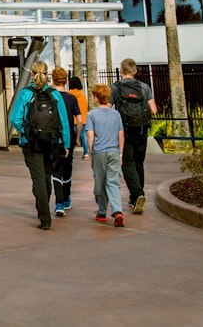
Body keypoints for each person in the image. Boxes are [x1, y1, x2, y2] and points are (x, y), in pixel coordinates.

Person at [9, 60, 71, 230]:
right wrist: (66, 144)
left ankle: (44, 218)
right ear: (47, 74)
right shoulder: (55, 95)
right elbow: (64, 121)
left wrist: (27, 131)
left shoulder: (25, 94)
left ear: (31, 74)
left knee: (38, 179)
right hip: (52, 142)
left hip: (31, 143)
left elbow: (14, 118)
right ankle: (45, 210)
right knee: (47, 177)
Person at [110, 58, 157, 214]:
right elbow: (154, 110)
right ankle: (135, 197)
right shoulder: (144, 87)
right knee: (139, 163)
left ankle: (137, 194)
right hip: (142, 129)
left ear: (121, 70)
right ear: (135, 71)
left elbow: (108, 108)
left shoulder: (115, 88)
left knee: (127, 163)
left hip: (125, 130)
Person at [85, 84, 125, 227]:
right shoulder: (116, 114)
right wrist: (120, 154)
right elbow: (121, 134)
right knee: (113, 182)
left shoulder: (91, 115)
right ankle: (117, 210)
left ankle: (102, 211)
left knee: (100, 182)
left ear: (96, 98)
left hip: (99, 152)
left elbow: (90, 136)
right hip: (114, 151)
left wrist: (90, 153)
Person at [50, 67, 81, 216]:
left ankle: (59, 203)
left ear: (52, 79)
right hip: (69, 137)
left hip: (55, 139)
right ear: (66, 81)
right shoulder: (71, 98)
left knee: (56, 170)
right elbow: (80, 119)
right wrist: (77, 137)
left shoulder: (50, 97)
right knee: (67, 169)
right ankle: (67, 198)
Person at [68, 76, 89, 160]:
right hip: (82, 119)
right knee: (84, 136)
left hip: (72, 120)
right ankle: (86, 153)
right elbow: (85, 107)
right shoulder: (82, 95)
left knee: (71, 138)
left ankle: (71, 154)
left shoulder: (69, 94)